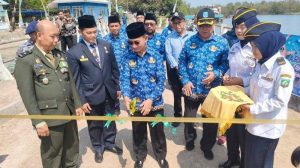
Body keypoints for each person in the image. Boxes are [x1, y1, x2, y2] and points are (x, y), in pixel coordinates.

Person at [14, 20, 83, 168]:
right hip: (49, 117)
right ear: (39, 35)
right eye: (52, 36)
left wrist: (77, 104)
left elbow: (70, 81)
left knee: (72, 151)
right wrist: (38, 121)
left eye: (57, 36)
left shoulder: (59, 55)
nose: (56, 40)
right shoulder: (26, 60)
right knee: (52, 155)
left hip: (69, 112)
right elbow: (27, 95)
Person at [67, 15, 122, 163]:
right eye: (88, 33)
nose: (92, 36)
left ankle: (110, 142)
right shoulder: (74, 52)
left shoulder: (106, 45)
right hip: (90, 95)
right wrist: (81, 100)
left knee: (110, 119)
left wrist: (117, 86)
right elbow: (75, 80)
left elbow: (114, 68)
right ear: (80, 32)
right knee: (94, 124)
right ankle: (98, 147)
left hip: (109, 91)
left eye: (94, 32)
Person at [239, 22, 295, 168]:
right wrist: (238, 93)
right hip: (252, 124)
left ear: (267, 45)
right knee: (249, 162)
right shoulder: (260, 63)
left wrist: (252, 109)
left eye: (255, 47)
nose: (253, 51)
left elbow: (279, 101)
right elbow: (254, 89)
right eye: (252, 46)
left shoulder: (283, 69)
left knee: (261, 163)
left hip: (267, 129)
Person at [178, 8, 229, 160]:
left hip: (211, 92)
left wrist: (217, 74)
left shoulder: (222, 43)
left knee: (211, 124)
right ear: (196, 25)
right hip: (192, 90)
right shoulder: (189, 42)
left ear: (214, 24)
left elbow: (226, 64)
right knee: (189, 118)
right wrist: (185, 81)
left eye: (208, 25)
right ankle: (189, 139)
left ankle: (207, 146)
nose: (205, 28)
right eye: (202, 25)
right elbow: (181, 63)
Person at [121, 22, 168, 168]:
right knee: (138, 132)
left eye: (137, 42)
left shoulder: (156, 55)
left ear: (145, 38)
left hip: (155, 103)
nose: (133, 46)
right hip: (137, 103)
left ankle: (160, 156)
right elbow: (125, 80)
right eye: (130, 43)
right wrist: (126, 96)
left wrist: (150, 100)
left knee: (158, 133)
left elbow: (161, 81)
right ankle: (140, 156)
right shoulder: (127, 57)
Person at [219, 7, 260, 168]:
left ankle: (244, 163)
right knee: (231, 130)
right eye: (236, 26)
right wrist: (227, 76)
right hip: (232, 96)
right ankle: (232, 159)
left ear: (251, 26)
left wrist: (240, 81)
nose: (239, 30)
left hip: (248, 97)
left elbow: (259, 76)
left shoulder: (257, 48)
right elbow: (231, 67)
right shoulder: (235, 47)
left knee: (245, 134)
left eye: (243, 26)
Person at [165, 12, 194, 127]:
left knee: (190, 94)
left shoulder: (193, 35)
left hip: (190, 71)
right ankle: (177, 115)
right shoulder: (169, 37)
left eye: (179, 22)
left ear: (184, 22)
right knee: (177, 94)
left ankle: (189, 117)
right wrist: (176, 65)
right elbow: (168, 53)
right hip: (175, 71)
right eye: (175, 23)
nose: (177, 25)